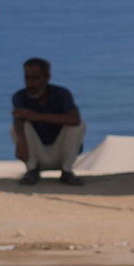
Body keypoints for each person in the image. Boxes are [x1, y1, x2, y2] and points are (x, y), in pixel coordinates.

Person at [11, 57, 85, 186]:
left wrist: (37, 116)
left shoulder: (61, 94)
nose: (30, 83)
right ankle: (32, 170)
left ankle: (67, 171)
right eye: (27, 78)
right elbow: (18, 119)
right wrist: (21, 141)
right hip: (36, 153)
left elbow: (75, 119)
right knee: (19, 127)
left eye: (35, 78)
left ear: (46, 77)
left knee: (78, 126)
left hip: (61, 152)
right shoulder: (20, 96)